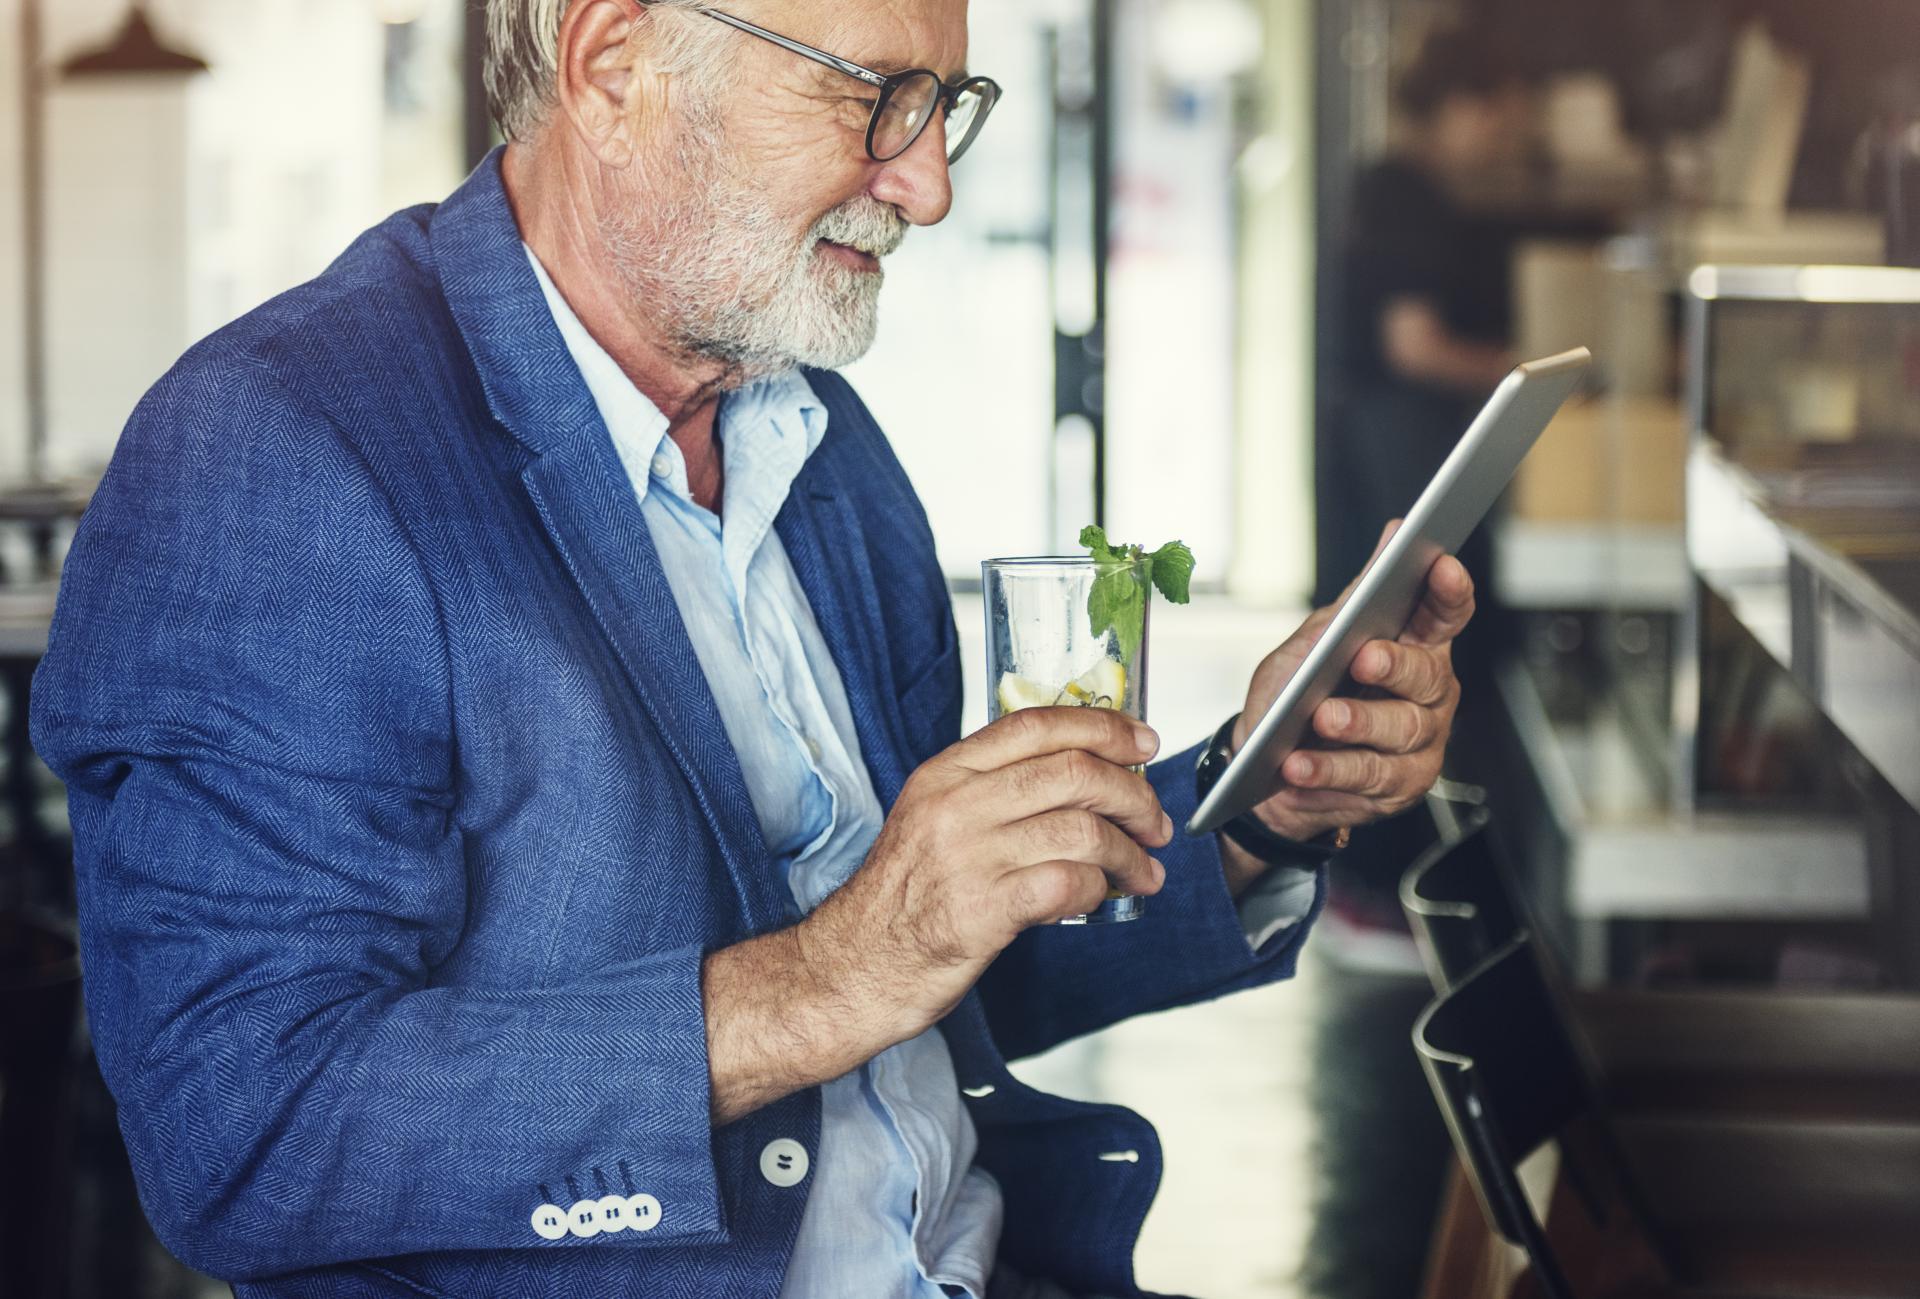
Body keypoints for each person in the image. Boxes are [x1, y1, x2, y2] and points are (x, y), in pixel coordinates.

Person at [30, 2, 1473, 1296]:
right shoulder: (278, 451)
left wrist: (1260, 804)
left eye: (948, 108)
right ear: (614, 63)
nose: (930, 184)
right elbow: (248, 1130)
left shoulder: (822, 440)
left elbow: (942, 979)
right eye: (874, 96)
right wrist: (837, 967)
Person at [1313, 26, 1532, 970]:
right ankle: (1370, 897)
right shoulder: (1406, 195)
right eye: (1499, 115)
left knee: (1388, 658)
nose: (1503, 138)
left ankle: (1375, 890)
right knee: (1385, 662)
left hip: (1381, 448)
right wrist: (1519, 374)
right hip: (1391, 450)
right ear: (1461, 106)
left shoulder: (1393, 190)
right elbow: (1415, 345)